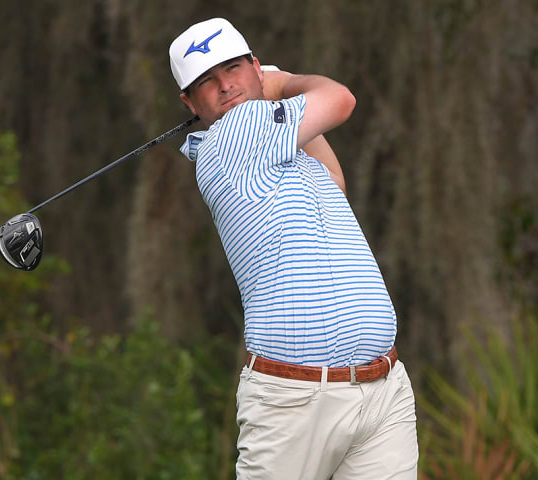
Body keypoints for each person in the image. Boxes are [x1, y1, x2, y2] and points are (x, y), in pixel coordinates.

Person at [169, 18, 418, 479]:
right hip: (294, 403)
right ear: (189, 102)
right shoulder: (234, 137)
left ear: (252, 67)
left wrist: (271, 90)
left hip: (382, 391)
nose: (225, 86)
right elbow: (340, 99)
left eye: (233, 68)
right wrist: (280, 83)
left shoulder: (277, 145)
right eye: (207, 81)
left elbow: (335, 182)